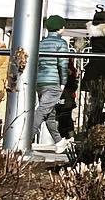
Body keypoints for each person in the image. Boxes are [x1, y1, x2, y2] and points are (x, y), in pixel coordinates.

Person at [29, 15, 72, 150]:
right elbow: (63, 64)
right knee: (42, 111)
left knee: (50, 114)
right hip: (54, 82)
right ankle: (26, 138)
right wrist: (63, 82)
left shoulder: (41, 43)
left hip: (40, 82)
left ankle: (59, 142)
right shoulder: (61, 44)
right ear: (61, 28)